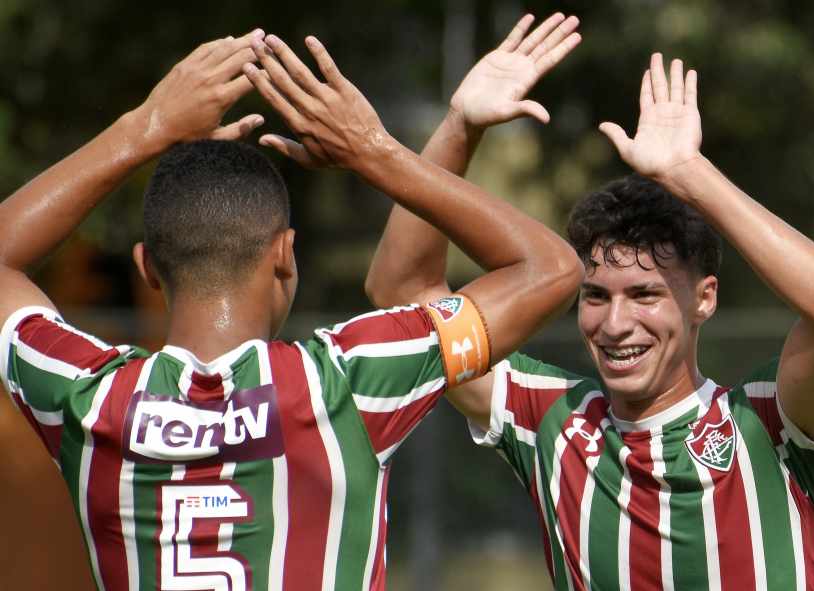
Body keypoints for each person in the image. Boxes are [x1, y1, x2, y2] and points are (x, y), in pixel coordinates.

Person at [0, 23, 583, 591]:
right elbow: (550, 270)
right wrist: (372, 152)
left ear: (147, 266)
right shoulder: (350, 382)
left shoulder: (85, 398)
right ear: (285, 255)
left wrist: (142, 131)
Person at [365, 47, 814, 589]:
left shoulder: (769, 423)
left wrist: (689, 174)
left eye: (645, 294)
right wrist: (459, 128)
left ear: (705, 299)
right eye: (596, 296)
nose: (615, 323)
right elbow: (405, 292)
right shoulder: (550, 420)